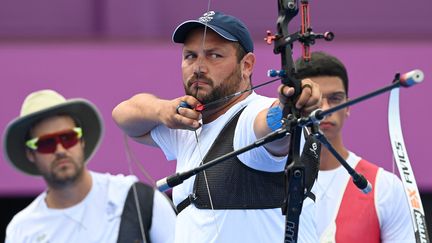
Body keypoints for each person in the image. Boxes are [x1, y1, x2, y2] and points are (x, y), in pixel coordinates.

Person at [112, 11, 322, 242]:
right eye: (190, 56)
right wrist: (162, 110)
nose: (198, 67)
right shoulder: (187, 124)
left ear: (247, 65)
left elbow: (273, 127)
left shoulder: (251, 116)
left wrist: (289, 106)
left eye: (214, 55)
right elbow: (124, 114)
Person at [3, 89, 176, 243]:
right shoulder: (21, 230)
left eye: (67, 138)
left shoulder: (138, 198)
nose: (60, 150)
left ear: (81, 141)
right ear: (30, 154)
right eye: (46, 143)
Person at [295, 51, 415, 242]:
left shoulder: (385, 188)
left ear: (348, 106)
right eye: (315, 101)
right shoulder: (268, 182)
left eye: (335, 98)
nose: (325, 110)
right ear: (296, 106)